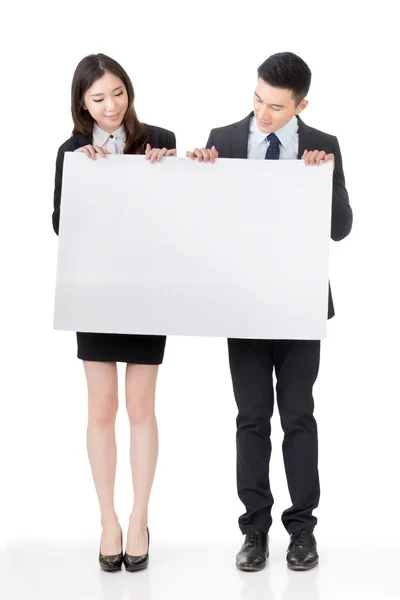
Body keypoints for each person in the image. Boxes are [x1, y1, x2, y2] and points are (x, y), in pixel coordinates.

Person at [186, 51, 352, 571]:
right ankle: (254, 531)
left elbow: (341, 227)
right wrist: (200, 177)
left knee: (299, 416)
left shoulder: (324, 145)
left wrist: (320, 182)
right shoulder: (225, 138)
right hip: (244, 305)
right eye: (257, 99)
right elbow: (199, 226)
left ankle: (302, 530)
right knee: (252, 419)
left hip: (300, 302)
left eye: (276, 108)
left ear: (301, 104)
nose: (262, 114)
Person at [52, 53, 176, 572]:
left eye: (118, 93)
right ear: (82, 102)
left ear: (130, 91)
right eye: (98, 97)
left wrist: (164, 172)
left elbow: (182, 216)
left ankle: (140, 517)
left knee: (140, 407)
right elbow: (60, 223)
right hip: (97, 290)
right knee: (101, 407)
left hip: (147, 288)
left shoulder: (159, 139)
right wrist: (89, 181)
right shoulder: (72, 150)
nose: (110, 106)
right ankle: (108, 520)